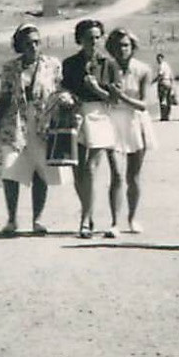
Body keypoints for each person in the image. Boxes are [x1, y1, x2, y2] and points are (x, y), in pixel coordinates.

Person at [0, 23, 63, 236]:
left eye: (37, 42)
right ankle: (12, 219)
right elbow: (3, 99)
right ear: (19, 45)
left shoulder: (52, 64)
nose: (33, 47)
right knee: (10, 169)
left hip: (42, 123)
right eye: (28, 43)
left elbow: (61, 91)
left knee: (41, 171)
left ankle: (38, 219)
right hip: (15, 123)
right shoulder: (10, 68)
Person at [60, 18, 121, 238]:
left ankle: (84, 220)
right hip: (76, 115)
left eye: (97, 37)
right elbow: (63, 89)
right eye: (88, 38)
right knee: (77, 170)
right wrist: (67, 98)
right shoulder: (69, 64)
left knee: (91, 167)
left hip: (100, 114)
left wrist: (95, 88)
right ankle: (88, 212)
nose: (93, 42)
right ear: (80, 40)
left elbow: (115, 99)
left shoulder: (109, 64)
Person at [106, 28, 157, 234]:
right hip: (112, 122)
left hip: (136, 122)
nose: (122, 50)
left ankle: (133, 218)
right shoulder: (107, 68)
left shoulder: (143, 70)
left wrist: (122, 97)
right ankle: (114, 222)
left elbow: (144, 104)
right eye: (117, 46)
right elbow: (104, 97)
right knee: (116, 175)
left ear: (132, 47)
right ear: (111, 48)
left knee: (133, 176)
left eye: (126, 45)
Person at [154, 52, 175, 121]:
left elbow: (160, 75)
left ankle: (163, 116)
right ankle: (167, 115)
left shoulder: (161, 66)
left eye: (159, 59)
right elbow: (171, 75)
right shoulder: (167, 65)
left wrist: (154, 80)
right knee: (168, 100)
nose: (158, 60)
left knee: (162, 99)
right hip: (168, 82)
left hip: (163, 82)